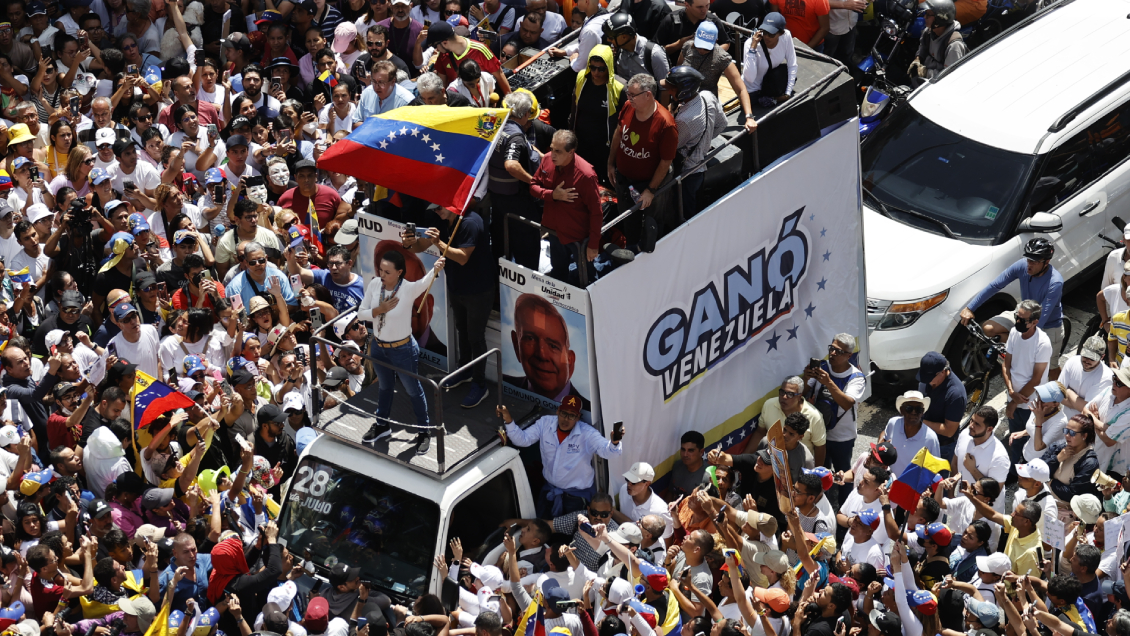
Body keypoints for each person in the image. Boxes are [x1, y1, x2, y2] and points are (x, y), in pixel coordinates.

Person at [404, 205, 493, 409]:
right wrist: (408, 243)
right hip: (457, 287)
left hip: (479, 290)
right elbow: (420, 245)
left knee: (476, 337)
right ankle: (465, 370)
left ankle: (480, 384)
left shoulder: (471, 222)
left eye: (440, 208)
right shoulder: (441, 220)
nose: (437, 212)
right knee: (462, 330)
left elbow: (462, 257)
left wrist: (439, 243)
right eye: (434, 209)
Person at [357, 249, 446, 452]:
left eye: (387, 272)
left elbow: (425, 281)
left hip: (402, 349)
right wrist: (379, 310)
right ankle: (382, 425)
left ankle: (424, 431)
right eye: (380, 270)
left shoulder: (407, 289)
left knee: (413, 390)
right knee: (384, 387)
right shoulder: (374, 284)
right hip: (379, 347)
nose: (382, 275)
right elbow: (361, 313)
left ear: (399, 272)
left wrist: (436, 269)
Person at [497, 395, 623, 518]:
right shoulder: (545, 423)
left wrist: (614, 442)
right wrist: (509, 420)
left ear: (578, 417)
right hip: (550, 490)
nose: (566, 419)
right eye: (564, 413)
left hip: (576, 497)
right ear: (558, 411)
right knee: (543, 527)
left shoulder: (588, 434)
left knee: (573, 529)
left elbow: (608, 452)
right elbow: (523, 440)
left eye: (572, 415)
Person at [961, 238, 1064, 375]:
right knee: (988, 329)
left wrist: (1022, 339)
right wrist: (970, 308)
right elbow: (995, 285)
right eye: (1028, 259)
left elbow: (1041, 318)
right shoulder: (1022, 265)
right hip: (1022, 313)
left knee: (1050, 368)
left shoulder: (1055, 282)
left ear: (1046, 262)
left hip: (1047, 325)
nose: (1029, 265)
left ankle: (1060, 388)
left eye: (1034, 262)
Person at [608, 73, 678, 249]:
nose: (629, 98)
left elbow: (666, 161)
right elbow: (618, 133)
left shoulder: (665, 124)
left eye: (633, 95)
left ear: (648, 95)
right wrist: (610, 163)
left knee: (651, 225)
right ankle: (630, 249)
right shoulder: (627, 107)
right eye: (628, 94)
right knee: (627, 219)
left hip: (648, 186)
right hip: (624, 181)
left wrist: (650, 190)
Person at [529, 129, 602, 285]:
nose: (552, 155)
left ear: (571, 152)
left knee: (587, 278)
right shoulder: (547, 159)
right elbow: (533, 186)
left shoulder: (586, 175)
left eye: (558, 151)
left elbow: (596, 212)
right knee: (558, 273)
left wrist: (593, 244)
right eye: (551, 149)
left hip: (578, 238)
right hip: (554, 233)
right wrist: (552, 195)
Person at [804, 333, 865, 507]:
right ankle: (822, 506)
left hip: (842, 438)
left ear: (849, 355)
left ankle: (845, 510)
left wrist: (829, 382)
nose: (832, 353)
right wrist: (807, 378)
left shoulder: (856, 377)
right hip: (819, 435)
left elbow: (847, 403)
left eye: (838, 351)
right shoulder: (822, 367)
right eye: (832, 348)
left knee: (843, 476)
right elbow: (804, 393)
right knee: (820, 474)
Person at [504, 293, 588, 408]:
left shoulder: (592, 412)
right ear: (516, 345)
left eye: (553, 346)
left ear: (570, 361)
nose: (542, 354)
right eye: (530, 338)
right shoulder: (505, 385)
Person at [666, 65, 726, 219]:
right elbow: (722, 124)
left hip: (687, 172)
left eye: (672, 88)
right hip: (700, 165)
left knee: (685, 212)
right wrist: (705, 141)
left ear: (684, 90)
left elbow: (671, 147)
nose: (669, 91)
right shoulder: (708, 95)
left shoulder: (684, 120)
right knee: (693, 205)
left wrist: (670, 115)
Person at [1003, 299, 1052, 469]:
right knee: (1014, 437)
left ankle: (1023, 471)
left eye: (1022, 320)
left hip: (1029, 403)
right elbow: (1006, 364)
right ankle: (1014, 469)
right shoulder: (1014, 333)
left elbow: (1036, 379)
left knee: (1027, 441)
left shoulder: (1042, 343)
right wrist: (1011, 392)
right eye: (1017, 317)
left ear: (1034, 322)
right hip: (1014, 396)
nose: (1018, 321)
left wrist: (1014, 402)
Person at [954, 405, 1010, 511]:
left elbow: (994, 491)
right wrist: (951, 493)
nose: (971, 425)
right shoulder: (965, 434)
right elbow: (954, 463)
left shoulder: (999, 456)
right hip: (961, 504)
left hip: (984, 512)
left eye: (977, 424)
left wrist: (973, 470)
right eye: (971, 420)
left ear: (989, 429)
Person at [917, 351, 966, 462]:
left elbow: (949, 431)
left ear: (942, 372)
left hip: (942, 447)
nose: (925, 381)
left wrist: (919, 422)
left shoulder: (955, 394)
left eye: (929, 378)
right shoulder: (928, 379)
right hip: (923, 439)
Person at [742, 12, 796, 109]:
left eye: (771, 34)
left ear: (781, 33)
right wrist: (752, 49)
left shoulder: (786, 36)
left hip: (771, 88)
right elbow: (750, 78)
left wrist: (787, 93)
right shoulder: (750, 44)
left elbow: (792, 64)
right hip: (752, 92)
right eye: (764, 32)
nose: (766, 36)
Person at [880, 390, 940, 476]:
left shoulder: (931, 438)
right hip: (890, 479)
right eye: (909, 408)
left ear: (922, 412)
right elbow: (885, 436)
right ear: (902, 410)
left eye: (918, 409)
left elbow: (934, 468)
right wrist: (880, 445)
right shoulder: (893, 423)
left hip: (913, 484)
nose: (914, 412)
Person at [908, 0, 967, 82]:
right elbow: (923, 46)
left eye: (928, 14)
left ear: (940, 19)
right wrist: (917, 59)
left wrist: (925, 72)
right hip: (923, 77)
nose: (925, 17)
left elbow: (949, 76)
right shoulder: (928, 31)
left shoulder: (954, 46)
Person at [668, 431, 706, 501]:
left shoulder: (709, 476)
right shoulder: (677, 466)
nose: (685, 454)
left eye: (690, 450)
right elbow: (670, 493)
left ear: (701, 452)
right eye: (683, 449)